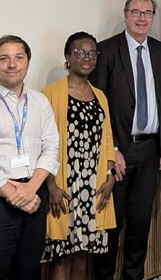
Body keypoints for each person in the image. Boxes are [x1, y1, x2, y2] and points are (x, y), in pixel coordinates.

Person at [0, 35, 60, 280]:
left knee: (28, 272)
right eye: (4, 58)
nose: (12, 64)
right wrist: (19, 197)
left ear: (28, 62)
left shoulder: (40, 102)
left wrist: (31, 189)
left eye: (19, 57)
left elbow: (51, 147)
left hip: (34, 197)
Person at [90, 0, 161, 280]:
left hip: (149, 150)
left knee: (140, 224)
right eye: (135, 12)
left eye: (147, 12)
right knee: (111, 225)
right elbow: (98, 105)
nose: (141, 18)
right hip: (119, 152)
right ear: (125, 15)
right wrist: (111, 148)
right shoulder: (106, 50)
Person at [40, 32, 117, 279]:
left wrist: (110, 176)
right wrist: (51, 185)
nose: (87, 58)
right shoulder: (50, 94)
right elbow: (42, 144)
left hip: (92, 186)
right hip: (64, 185)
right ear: (68, 57)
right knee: (62, 256)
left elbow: (107, 139)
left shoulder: (100, 96)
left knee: (83, 254)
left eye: (92, 53)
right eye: (80, 53)